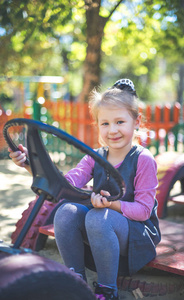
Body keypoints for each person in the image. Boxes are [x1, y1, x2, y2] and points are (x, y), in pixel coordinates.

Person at [9, 79, 161, 300]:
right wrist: (28, 164)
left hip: (136, 234)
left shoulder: (143, 159)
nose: (113, 130)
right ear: (97, 125)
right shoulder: (95, 156)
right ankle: (75, 281)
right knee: (66, 211)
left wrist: (112, 204)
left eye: (120, 122)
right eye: (105, 123)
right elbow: (65, 183)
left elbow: (144, 211)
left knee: (99, 218)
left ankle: (107, 290)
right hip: (102, 225)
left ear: (136, 121)